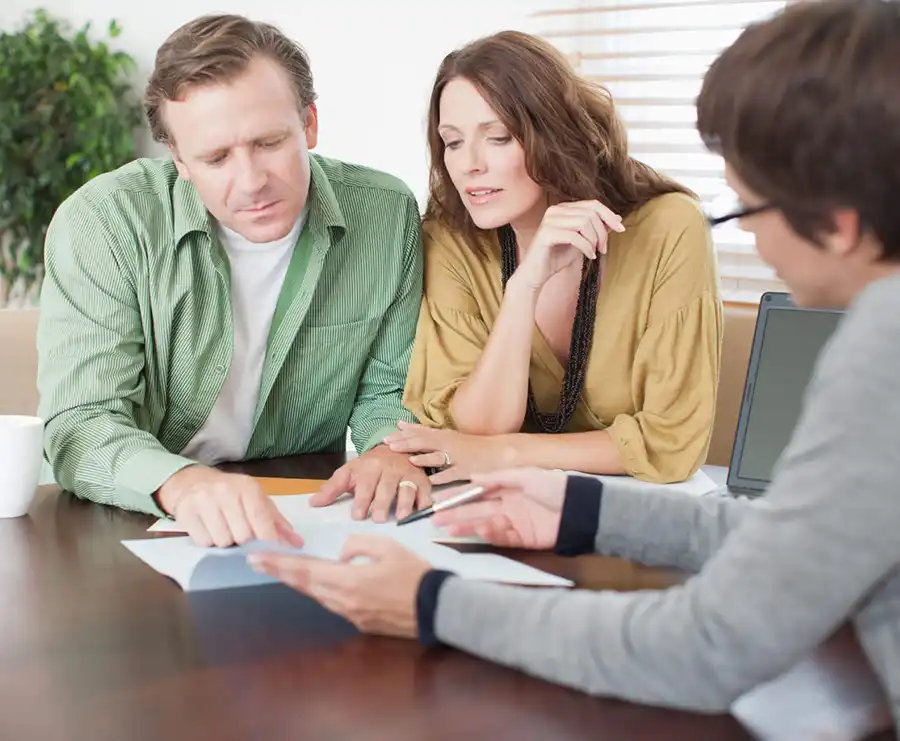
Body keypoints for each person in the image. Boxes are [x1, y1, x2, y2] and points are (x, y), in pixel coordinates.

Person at [250, 0, 900, 726]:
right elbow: (792, 542)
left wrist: (431, 601)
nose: (754, 243)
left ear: (840, 225)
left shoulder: (882, 350)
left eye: (747, 209)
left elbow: (705, 645)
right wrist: (585, 509)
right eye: (454, 140)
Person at [36, 14, 430, 547]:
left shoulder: (385, 214)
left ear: (309, 123)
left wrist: (387, 452)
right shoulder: (105, 224)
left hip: (303, 516)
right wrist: (181, 482)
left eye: (268, 142)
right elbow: (80, 423)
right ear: (177, 157)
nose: (251, 182)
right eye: (216, 157)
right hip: (132, 517)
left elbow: (386, 392)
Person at [384, 31, 722, 486]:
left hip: (636, 507)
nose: (469, 165)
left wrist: (510, 453)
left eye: (498, 137)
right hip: (493, 502)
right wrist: (523, 288)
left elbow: (672, 442)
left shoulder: (668, 228)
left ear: (554, 134)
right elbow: (468, 430)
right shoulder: (451, 238)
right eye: (453, 142)